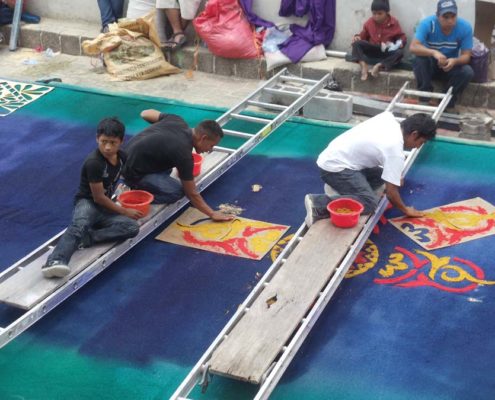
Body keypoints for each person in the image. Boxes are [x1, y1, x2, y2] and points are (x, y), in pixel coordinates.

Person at [42, 118, 141, 279]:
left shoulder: (122, 157)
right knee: (78, 225)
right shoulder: (94, 163)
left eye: (112, 142)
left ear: (121, 141)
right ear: (97, 139)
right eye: (103, 142)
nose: (107, 147)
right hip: (88, 202)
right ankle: (55, 260)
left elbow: (128, 175)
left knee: (132, 228)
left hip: (105, 208)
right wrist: (124, 210)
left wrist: (129, 189)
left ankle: (88, 238)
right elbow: (99, 197)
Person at [304, 112, 437, 226]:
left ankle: (347, 190)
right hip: (334, 169)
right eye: (420, 142)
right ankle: (317, 204)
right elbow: (391, 193)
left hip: (334, 158)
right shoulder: (394, 150)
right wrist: (406, 210)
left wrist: (393, 176)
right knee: (369, 203)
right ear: (414, 134)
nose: (417, 147)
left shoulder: (388, 118)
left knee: (385, 178)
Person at [122, 110, 233, 221]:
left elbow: (145, 113)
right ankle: (135, 191)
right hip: (132, 172)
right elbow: (191, 194)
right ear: (203, 138)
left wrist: (159, 133)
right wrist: (212, 214)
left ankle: (139, 181)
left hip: (124, 157)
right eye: (211, 145)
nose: (210, 150)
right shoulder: (184, 154)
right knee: (177, 192)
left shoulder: (176, 120)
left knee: (169, 166)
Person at [409, 0, 474, 111]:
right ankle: (424, 98)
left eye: (453, 16)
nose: (450, 20)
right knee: (419, 60)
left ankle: (446, 101)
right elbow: (413, 47)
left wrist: (455, 61)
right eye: (446, 17)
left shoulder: (465, 27)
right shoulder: (427, 24)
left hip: (449, 66)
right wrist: (434, 53)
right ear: (437, 15)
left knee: (467, 72)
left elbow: (466, 56)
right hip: (430, 66)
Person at [350, 0, 406, 80]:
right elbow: (363, 35)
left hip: (386, 51)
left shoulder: (394, 22)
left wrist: (400, 42)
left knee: (400, 53)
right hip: (372, 49)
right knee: (356, 43)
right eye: (374, 14)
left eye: (380, 14)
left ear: (387, 12)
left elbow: (401, 36)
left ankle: (380, 65)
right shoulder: (370, 22)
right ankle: (363, 65)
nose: (376, 16)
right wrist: (357, 37)